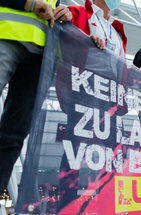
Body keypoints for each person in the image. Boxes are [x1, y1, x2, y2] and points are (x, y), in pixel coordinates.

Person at [0, 0, 72, 192]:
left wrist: (65, 18)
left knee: (14, 135)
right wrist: (29, 4)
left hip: (41, 57)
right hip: (5, 34)